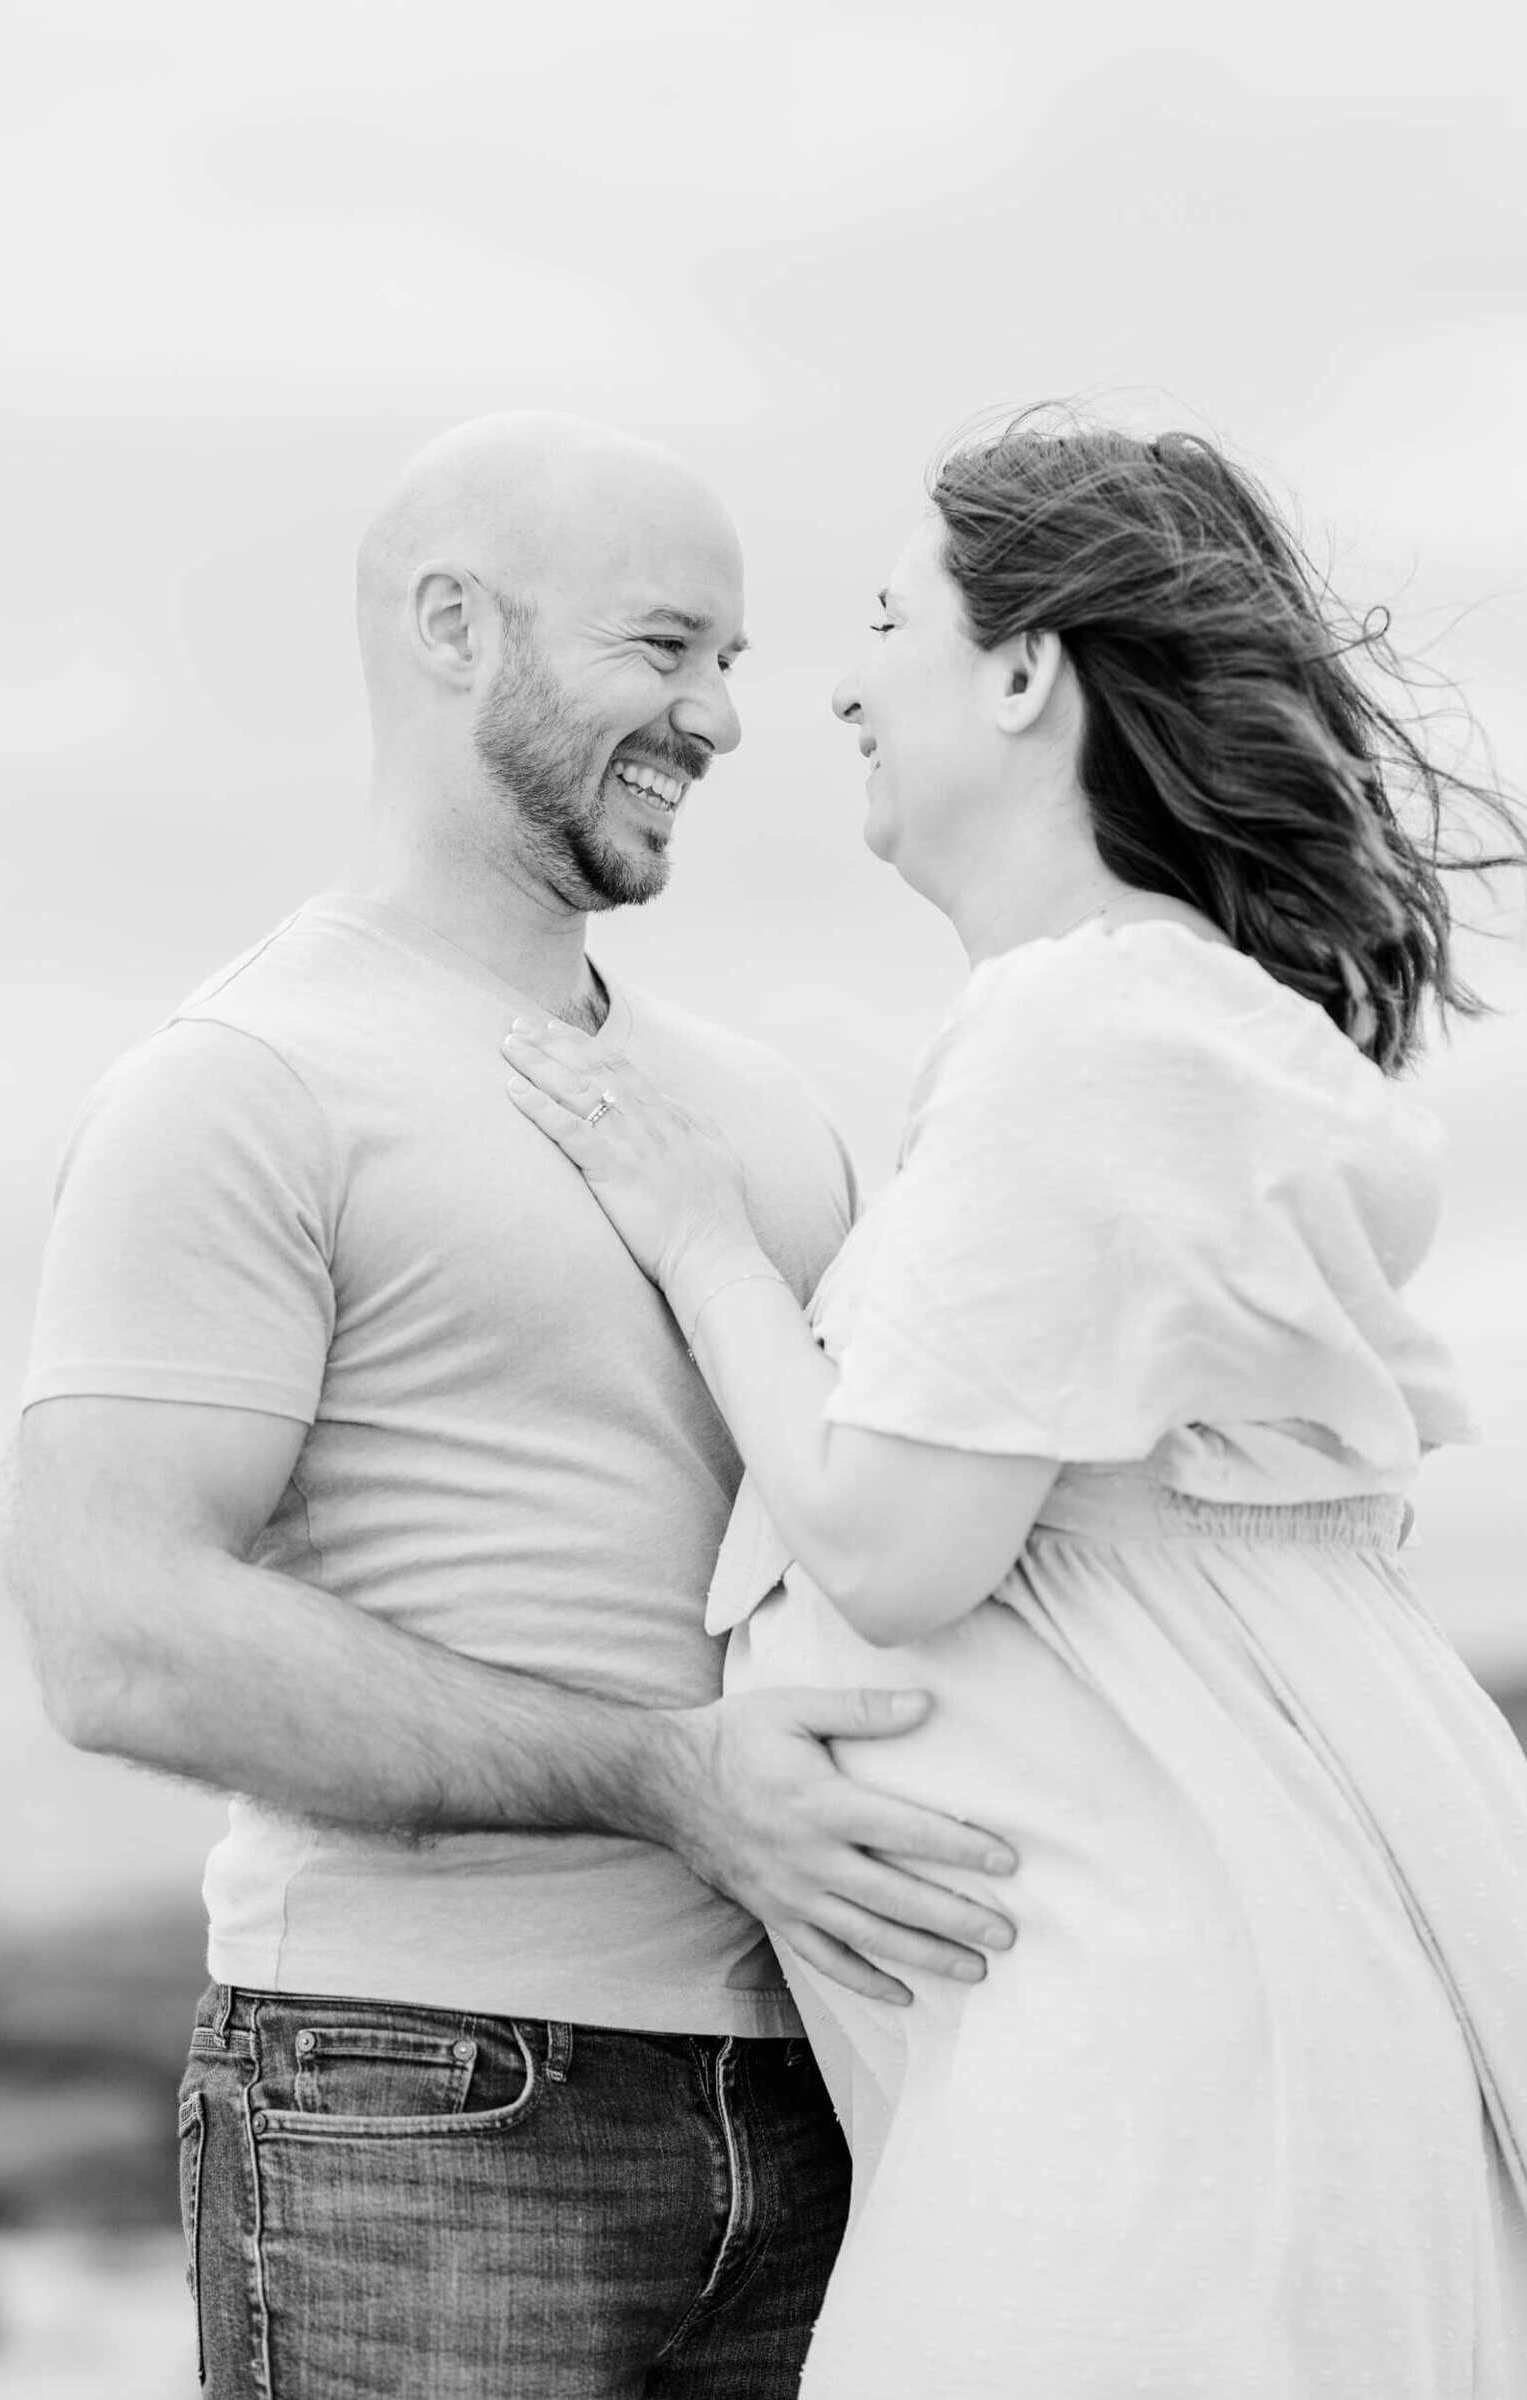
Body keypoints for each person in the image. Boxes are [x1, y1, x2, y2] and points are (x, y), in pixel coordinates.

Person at [503, 410, 1527, 2398]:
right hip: (1190, 2040)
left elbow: (891, 1547)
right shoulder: (1179, 1036)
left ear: (1021, 668)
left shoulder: (1082, 1033)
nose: (828, 685)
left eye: (885, 620)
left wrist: (698, 1232)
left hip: (1139, 2102)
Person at [3, 412, 1022, 2400]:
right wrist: (664, 1776)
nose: (723, 717)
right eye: (664, 648)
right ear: (452, 627)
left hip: (832, 2096)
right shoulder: (243, 1084)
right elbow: (114, 1635)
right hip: (416, 2100)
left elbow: (889, 1535)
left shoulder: (760, 1113)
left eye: (734, 659)